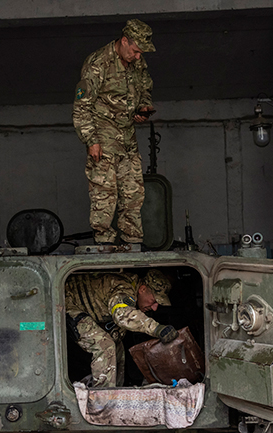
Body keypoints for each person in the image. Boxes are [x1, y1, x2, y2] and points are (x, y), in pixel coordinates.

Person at [72, 19, 156, 245]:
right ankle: (104, 244)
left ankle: (133, 243)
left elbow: (145, 88)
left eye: (141, 53)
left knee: (133, 196)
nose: (138, 57)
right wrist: (91, 141)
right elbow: (82, 107)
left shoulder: (137, 62)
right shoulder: (98, 63)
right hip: (104, 137)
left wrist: (143, 107)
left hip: (128, 139)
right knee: (104, 195)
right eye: (136, 51)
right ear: (125, 40)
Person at [65, 269, 178, 388]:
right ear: (142, 289)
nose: (155, 308)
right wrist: (157, 329)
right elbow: (122, 314)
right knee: (105, 346)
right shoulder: (124, 288)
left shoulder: (133, 288)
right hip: (69, 304)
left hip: (87, 311)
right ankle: (102, 399)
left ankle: (116, 393)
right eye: (154, 301)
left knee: (116, 344)